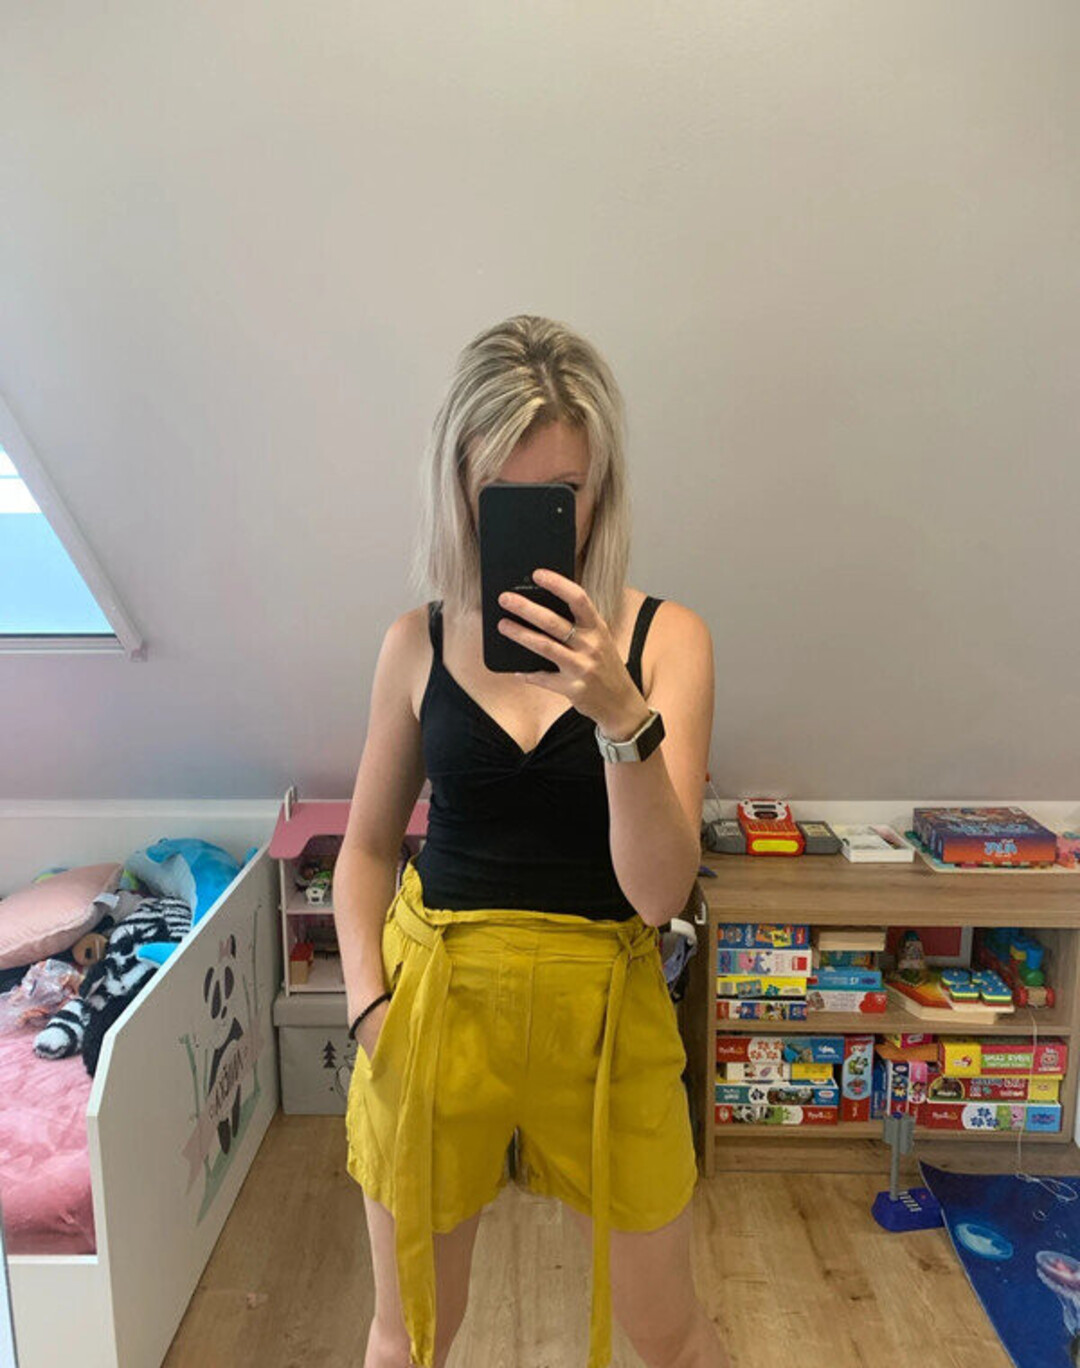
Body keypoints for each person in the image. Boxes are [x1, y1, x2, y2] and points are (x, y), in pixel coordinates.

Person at [334, 315, 728, 1368]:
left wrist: (620, 715)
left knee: (670, 1333)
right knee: (408, 1335)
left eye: (561, 494)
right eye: (501, 494)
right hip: (434, 1005)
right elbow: (365, 850)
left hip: (606, 1014)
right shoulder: (414, 643)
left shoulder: (667, 643)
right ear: (457, 485)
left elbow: (659, 894)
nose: (533, 520)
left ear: (599, 493)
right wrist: (368, 1008)